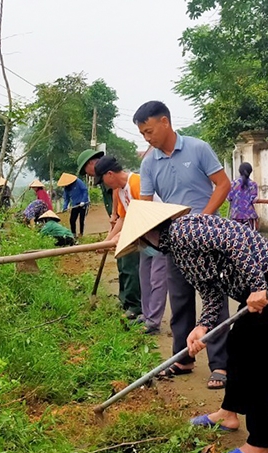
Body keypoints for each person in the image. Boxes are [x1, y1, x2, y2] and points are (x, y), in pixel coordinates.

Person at [114, 200, 268, 453]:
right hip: (254, 286)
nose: (144, 247)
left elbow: (235, 240)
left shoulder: (183, 232)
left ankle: (260, 446)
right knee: (237, 344)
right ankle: (228, 414)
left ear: (151, 233)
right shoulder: (178, 251)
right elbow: (211, 289)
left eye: (142, 241)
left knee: (261, 360)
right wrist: (202, 326)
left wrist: (258, 286)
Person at [135, 100, 232, 389]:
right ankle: (183, 358)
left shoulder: (198, 148)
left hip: (207, 237)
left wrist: (203, 219)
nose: (147, 138)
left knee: (214, 298)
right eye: (142, 134)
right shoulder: (149, 163)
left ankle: (221, 365)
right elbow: (146, 205)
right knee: (179, 300)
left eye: (149, 131)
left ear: (165, 122)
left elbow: (223, 184)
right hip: (176, 241)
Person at [95, 155, 163, 333]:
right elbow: (123, 218)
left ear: (109, 174)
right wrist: (108, 240)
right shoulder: (121, 190)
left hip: (160, 236)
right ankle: (146, 315)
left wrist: (123, 237)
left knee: (157, 280)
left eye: (102, 180)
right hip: (145, 239)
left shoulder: (136, 184)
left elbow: (145, 216)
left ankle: (153, 323)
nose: (104, 184)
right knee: (144, 277)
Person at [78, 149, 140, 320]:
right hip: (127, 229)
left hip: (142, 234)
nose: (92, 177)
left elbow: (136, 215)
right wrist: (109, 239)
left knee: (132, 268)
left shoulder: (131, 184)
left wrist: (119, 232)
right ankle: (127, 302)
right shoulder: (117, 187)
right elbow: (122, 216)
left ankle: (136, 307)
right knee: (124, 266)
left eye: (87, 171)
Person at [227, 162, 268, 231]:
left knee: (237, 239)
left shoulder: (232, 184)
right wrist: (267, 201)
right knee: (252, 239)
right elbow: (253, 200)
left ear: (239, 171)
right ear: (250, 172)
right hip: (250, 217)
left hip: (235, 217)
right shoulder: (253, 184)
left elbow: (229, 198)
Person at [57, 173, 90, 237]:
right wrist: (64, 207)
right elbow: (66, 199)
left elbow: (85, 191)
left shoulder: (78, 182)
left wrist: (83, 201)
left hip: (82, 204)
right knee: (72, 220)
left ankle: (81, 233)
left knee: (81, 219)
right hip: (75, 204)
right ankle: (73, 234)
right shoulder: (66, 188)